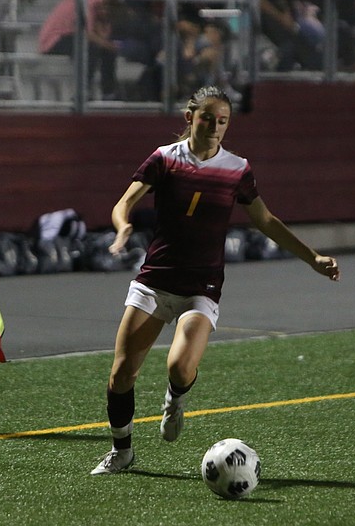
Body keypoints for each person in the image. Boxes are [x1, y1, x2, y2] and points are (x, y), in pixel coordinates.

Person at [90, 84, 341, 474]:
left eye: (222, 121)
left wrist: (312, 258)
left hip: (201, 287)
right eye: (208, 118)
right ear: (190, 118)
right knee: (122, 372)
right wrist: (122, 228)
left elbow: (266, 220)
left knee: (179, 368)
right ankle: (122, 451)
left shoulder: (236, 168)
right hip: (154, 280)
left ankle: (175, 399)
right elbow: (125, 202)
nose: (215, 127)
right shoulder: (164, 159)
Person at [37, 0, 119, 98]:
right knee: (89, 48)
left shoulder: (99, 6)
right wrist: (107, 43)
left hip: (71, 36)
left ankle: (108, 92)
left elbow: (103, 35)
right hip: (53, 40)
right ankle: (82, 91)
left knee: (107, 51)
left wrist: (108, 43)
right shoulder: (87, 3)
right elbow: (88, 35)